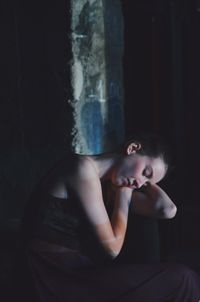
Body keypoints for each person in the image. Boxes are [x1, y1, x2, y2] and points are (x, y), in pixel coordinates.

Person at [19, 133, 200, 302]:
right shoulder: (81, 169)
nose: (140, 184)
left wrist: (139, 181)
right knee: (183, 279)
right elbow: (112, 249)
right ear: (132, 148)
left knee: (183, 278)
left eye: (147, 183)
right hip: (52, 274)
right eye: (146, 173)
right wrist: (124, 196)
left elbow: (167, 209)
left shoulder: (108, 186)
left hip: (79, 271)